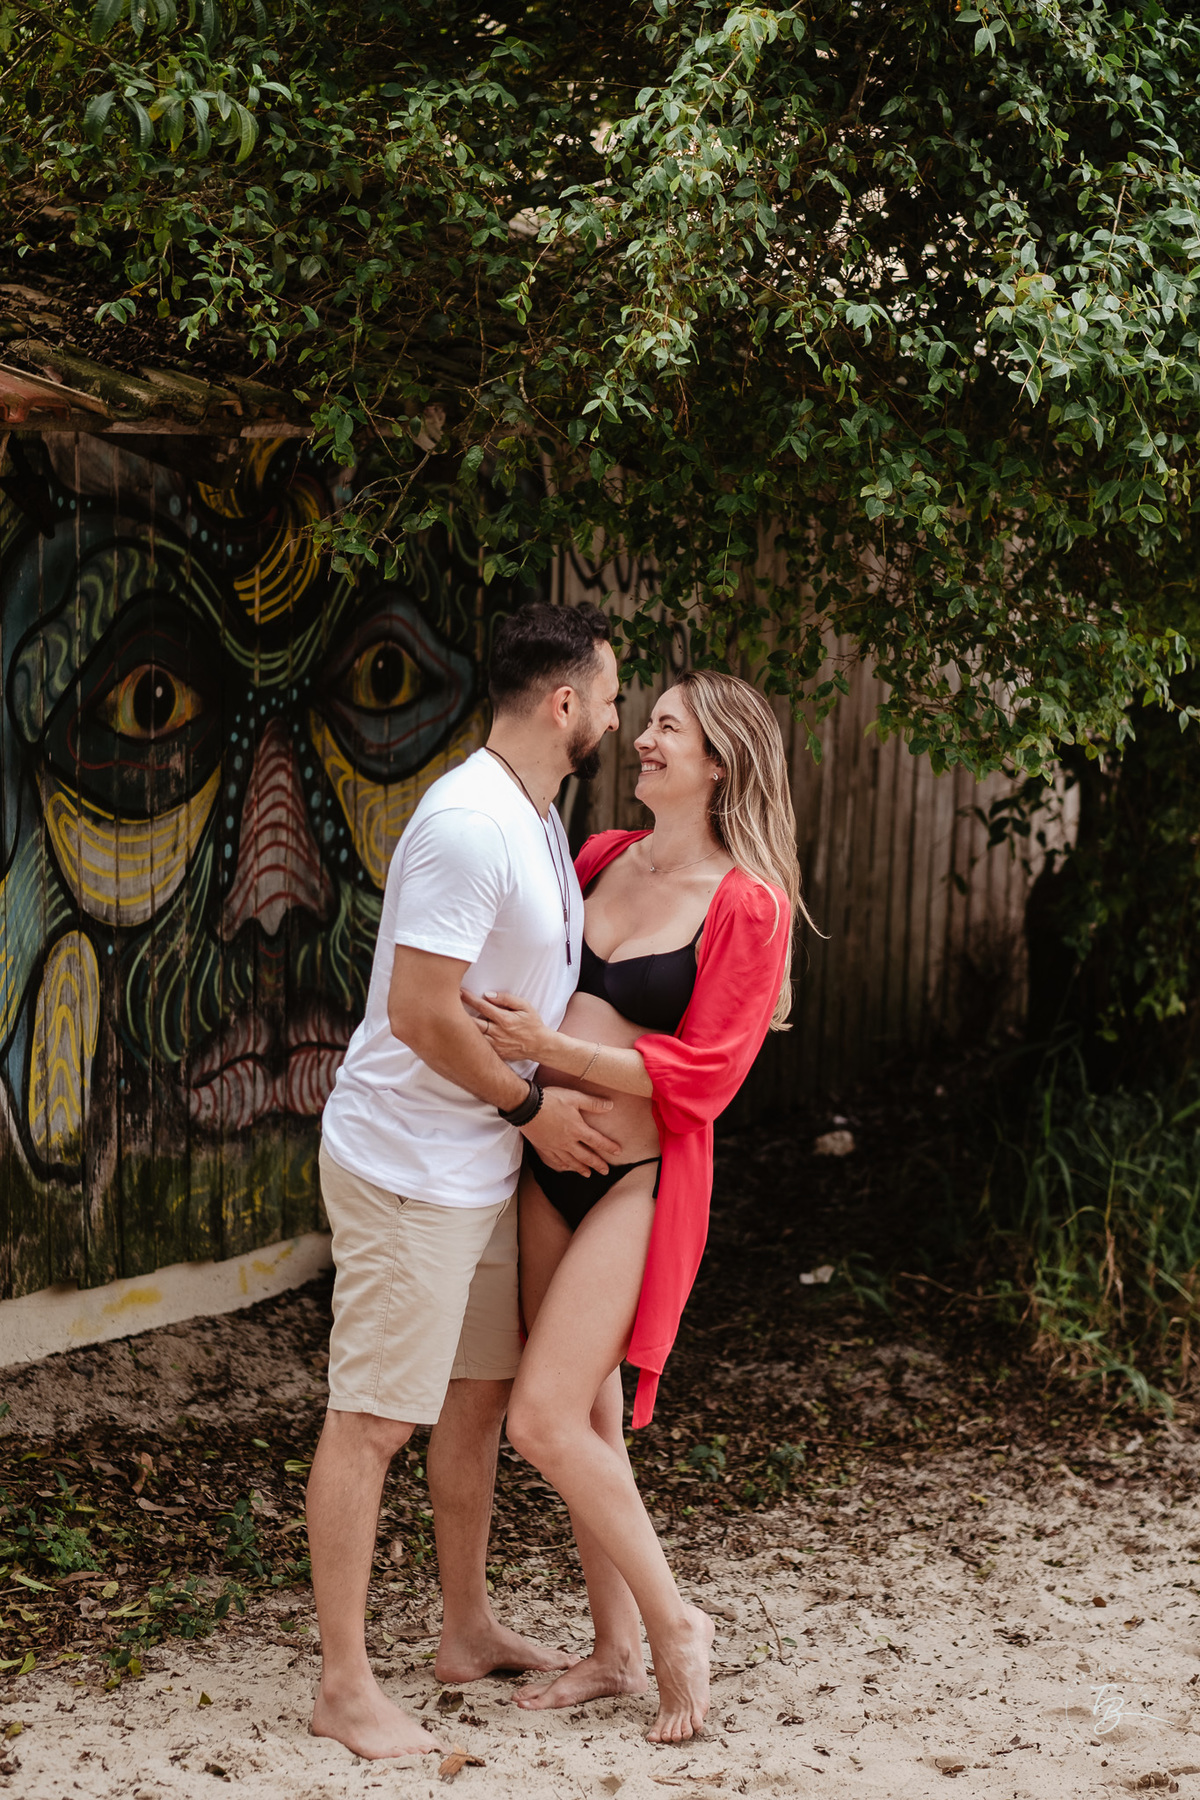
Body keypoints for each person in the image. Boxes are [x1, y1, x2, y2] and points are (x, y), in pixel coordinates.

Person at [464, 669, 809, 1744]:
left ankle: (674, 1627)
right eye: (649, 719)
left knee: (541, 1419)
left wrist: (551, 1053)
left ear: (719, 763)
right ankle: (611, 1654)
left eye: (668, 727)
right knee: (592, 1413)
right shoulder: (604, 855)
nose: (644, 737)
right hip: (549, 1160)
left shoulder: (748, 903)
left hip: (637, 1182)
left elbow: (706, 1076)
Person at [308, 601, 623, 1760]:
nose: (618, 714)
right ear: (564, 703)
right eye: (612, 694)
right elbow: (420, 1012)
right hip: (410, 1163)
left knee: (479, 1401)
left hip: (476, 1161)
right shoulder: (468, 823)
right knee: (375, 1418)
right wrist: (536, 1109)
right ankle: (344, 1686)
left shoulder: (538, 814)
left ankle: (466, 1626)